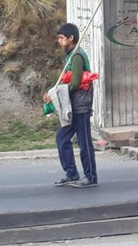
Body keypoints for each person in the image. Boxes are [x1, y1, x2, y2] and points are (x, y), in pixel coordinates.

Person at [44, 23, 97, 188]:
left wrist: (55, 94)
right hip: (71, 106)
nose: (59, 41)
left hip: (80, 106)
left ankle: (91, 176)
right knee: (62, 138)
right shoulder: (69, 56)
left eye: (61, 38)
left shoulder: (77, 56)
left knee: (84, 143)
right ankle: (72, 173)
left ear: (71, 38)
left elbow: (75, 83)